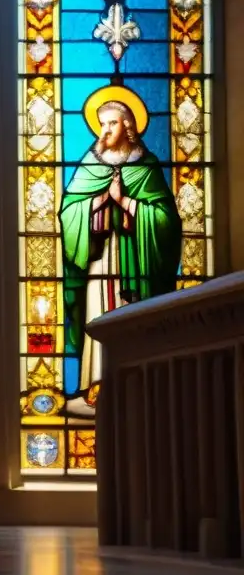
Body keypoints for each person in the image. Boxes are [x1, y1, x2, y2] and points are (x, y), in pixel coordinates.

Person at [60, 87, 182, 418]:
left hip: (135, 261)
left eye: (112, 124)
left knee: (133, 313)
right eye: (101, 125)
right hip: (100, 260)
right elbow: (69, 212)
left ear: (128, 125)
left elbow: (166, 221)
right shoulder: (90, 165)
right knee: (97, 313)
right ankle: (96, 386)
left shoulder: (147, 167)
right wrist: (101, 201)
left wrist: (126, 202)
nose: (105, 132)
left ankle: (138, 385)